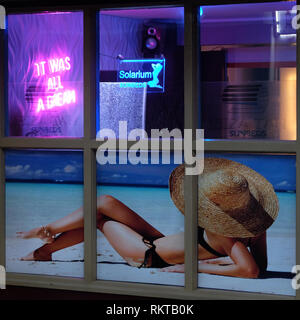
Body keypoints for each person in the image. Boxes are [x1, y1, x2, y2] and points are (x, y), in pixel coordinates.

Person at [17, 158, 279, 278]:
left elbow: (252, 271)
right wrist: (223, 262)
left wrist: (194, 267)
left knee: (98, 217)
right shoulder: (254, 229)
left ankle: (44, 243)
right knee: (106, 202)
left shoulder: (228, 236)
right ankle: (46, 238)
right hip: (160, 242)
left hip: (149, 255)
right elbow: (262, 266)